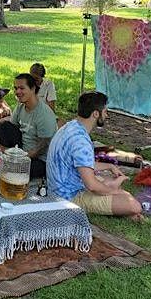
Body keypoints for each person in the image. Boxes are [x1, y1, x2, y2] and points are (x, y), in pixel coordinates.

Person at [46, 91, 142, 219]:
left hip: (62, 186)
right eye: (105, 111)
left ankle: (112, 190)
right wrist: (114, 191)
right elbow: (91, 185)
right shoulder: (81, 141)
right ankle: (115, 196)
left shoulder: (70, 126)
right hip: (68, 197)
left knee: (112, 183)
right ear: (96, 114)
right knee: (134, 206)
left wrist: (109, 166)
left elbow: (82, 164)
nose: (106, 115)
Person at [0, 73, 58, 179]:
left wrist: (19, 160)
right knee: (3, 124)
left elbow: (42, 146)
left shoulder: (44, 113)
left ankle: (12, 167)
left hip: (40, 159)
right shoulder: (20, 106)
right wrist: (9, 157)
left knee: (13, 174)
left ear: (33, 88)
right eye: (16, 88)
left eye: (21, 88)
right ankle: (7, 159)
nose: (17, 92)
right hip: (22, 149)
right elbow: (11, 128)